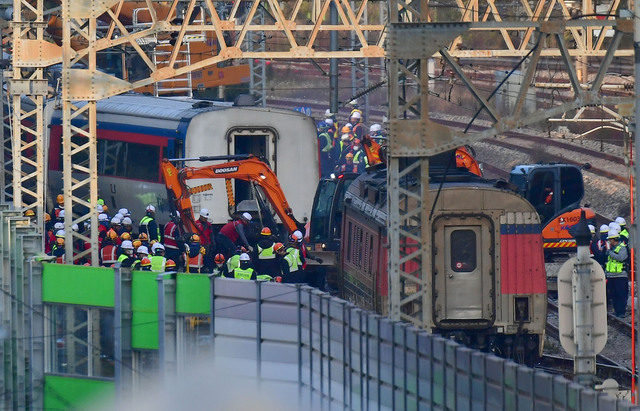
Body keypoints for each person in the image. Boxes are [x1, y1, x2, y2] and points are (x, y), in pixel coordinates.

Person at [605, 229, 629, 317]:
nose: (609, 241)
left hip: (620, 276)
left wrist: (610, 252)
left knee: (620, 294)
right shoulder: (612, 248)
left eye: (610, 240)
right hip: (611, 276)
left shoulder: (621, 247)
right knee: (614, 295)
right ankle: (617, 311)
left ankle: (621, 312)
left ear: (613, 239)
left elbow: (621, 258)